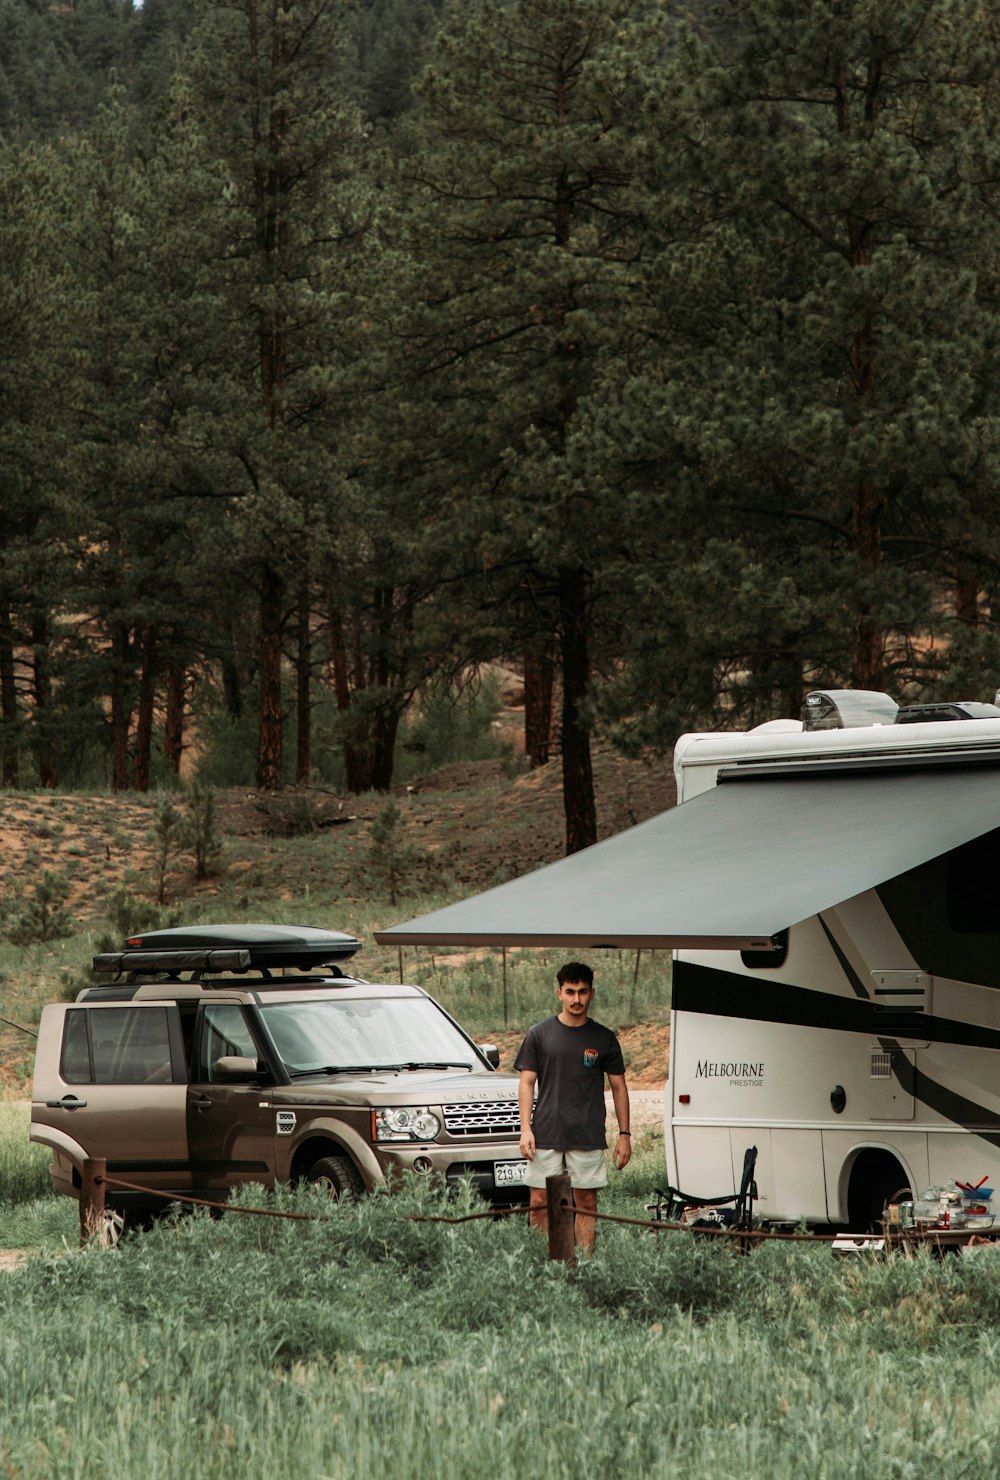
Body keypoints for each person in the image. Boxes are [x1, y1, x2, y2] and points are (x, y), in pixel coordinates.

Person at [514, 961, 631, 1252]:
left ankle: (585, 1266)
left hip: (586, 1133)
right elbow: (527, 1082)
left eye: (582, 992)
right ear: (559, 993)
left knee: (586, 1202)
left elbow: (619, 1086)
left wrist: (625, 1135)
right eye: (570, 992)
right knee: (540, 1202)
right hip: (546, 1132)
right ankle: (544, 1267)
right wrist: (525, 1129)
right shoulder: (539, 1034)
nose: (576, 999)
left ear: (591, 993)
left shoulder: (604, 1038)